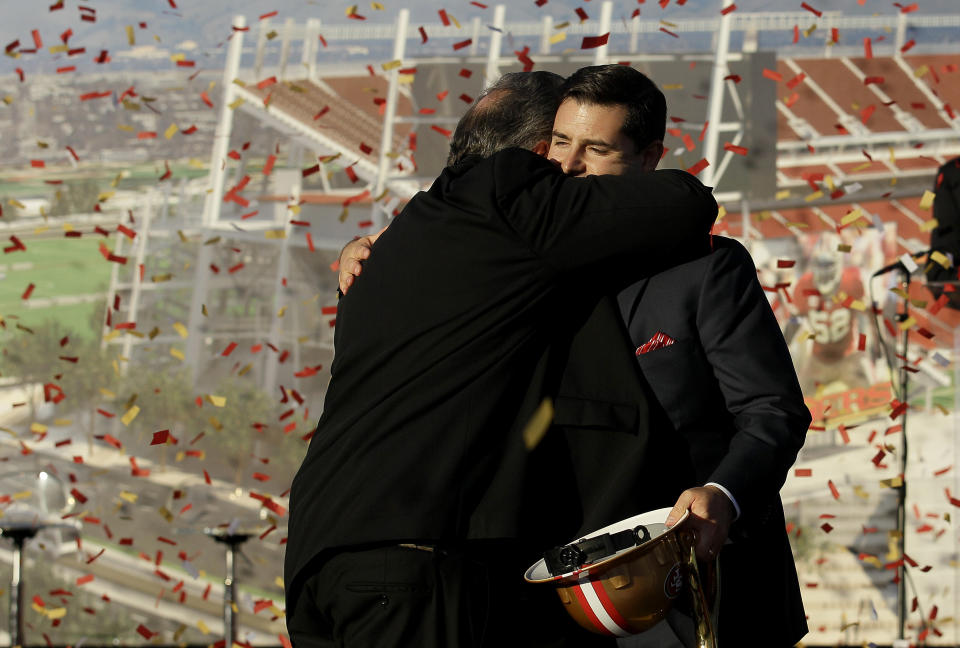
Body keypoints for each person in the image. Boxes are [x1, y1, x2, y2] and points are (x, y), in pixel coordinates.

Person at [340, 64, 810, 647]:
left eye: (596, 148)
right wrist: (365, 253)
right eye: (560, 142)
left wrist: (725, 495)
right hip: (561, 599)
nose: (567, 164)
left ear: (648, 159)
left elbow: (772, 411)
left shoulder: (707, 269)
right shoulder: (522, 264)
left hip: (705, 590)